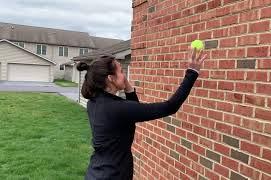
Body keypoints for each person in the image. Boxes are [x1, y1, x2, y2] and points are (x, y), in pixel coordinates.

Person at [77, 48, 207, 180]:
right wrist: (192, 72)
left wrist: (127, 86)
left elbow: (133, 111)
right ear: (110, 78)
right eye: (121, 72)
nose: (125, 75)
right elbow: (170, 107)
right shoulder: (118, 108)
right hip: (112, 175)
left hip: (96, 172)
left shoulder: (94, 102)